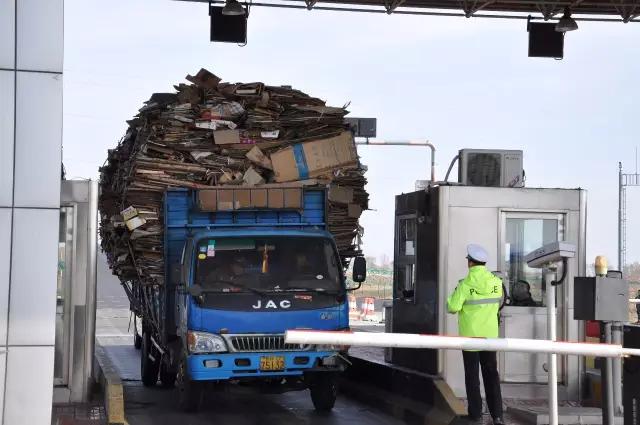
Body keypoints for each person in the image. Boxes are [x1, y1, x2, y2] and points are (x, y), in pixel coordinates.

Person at [447, 244, 505, 425]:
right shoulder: (497, 282)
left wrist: (453, 296)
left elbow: (452, 307)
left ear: (470, 263)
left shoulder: (464, 285)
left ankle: (476, 415)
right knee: (491, 375)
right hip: (490, 338)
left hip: (470, 337)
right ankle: (497, 416)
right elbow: (501, 303)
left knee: (472, 376)